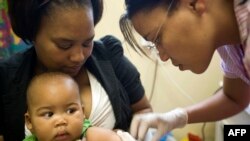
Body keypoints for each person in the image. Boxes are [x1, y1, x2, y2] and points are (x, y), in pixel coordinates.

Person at [0, 0, 152, 140]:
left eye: (87, 42)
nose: (79, 57)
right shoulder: (6, 78)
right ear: (33, 34)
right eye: (65, 45)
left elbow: (143, 110)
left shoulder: (109, 56)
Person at [119, 0, 250, 141]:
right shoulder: (228, 45)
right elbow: (234, 98)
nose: (162, 57)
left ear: (192, 4)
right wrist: (177, 117)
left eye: (157, 39)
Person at [24, 72, 125, 141]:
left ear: (83, 112)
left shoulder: (92, 136)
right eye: (49, 114)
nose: (61, 121)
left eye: (70, 111)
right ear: (29, 121)